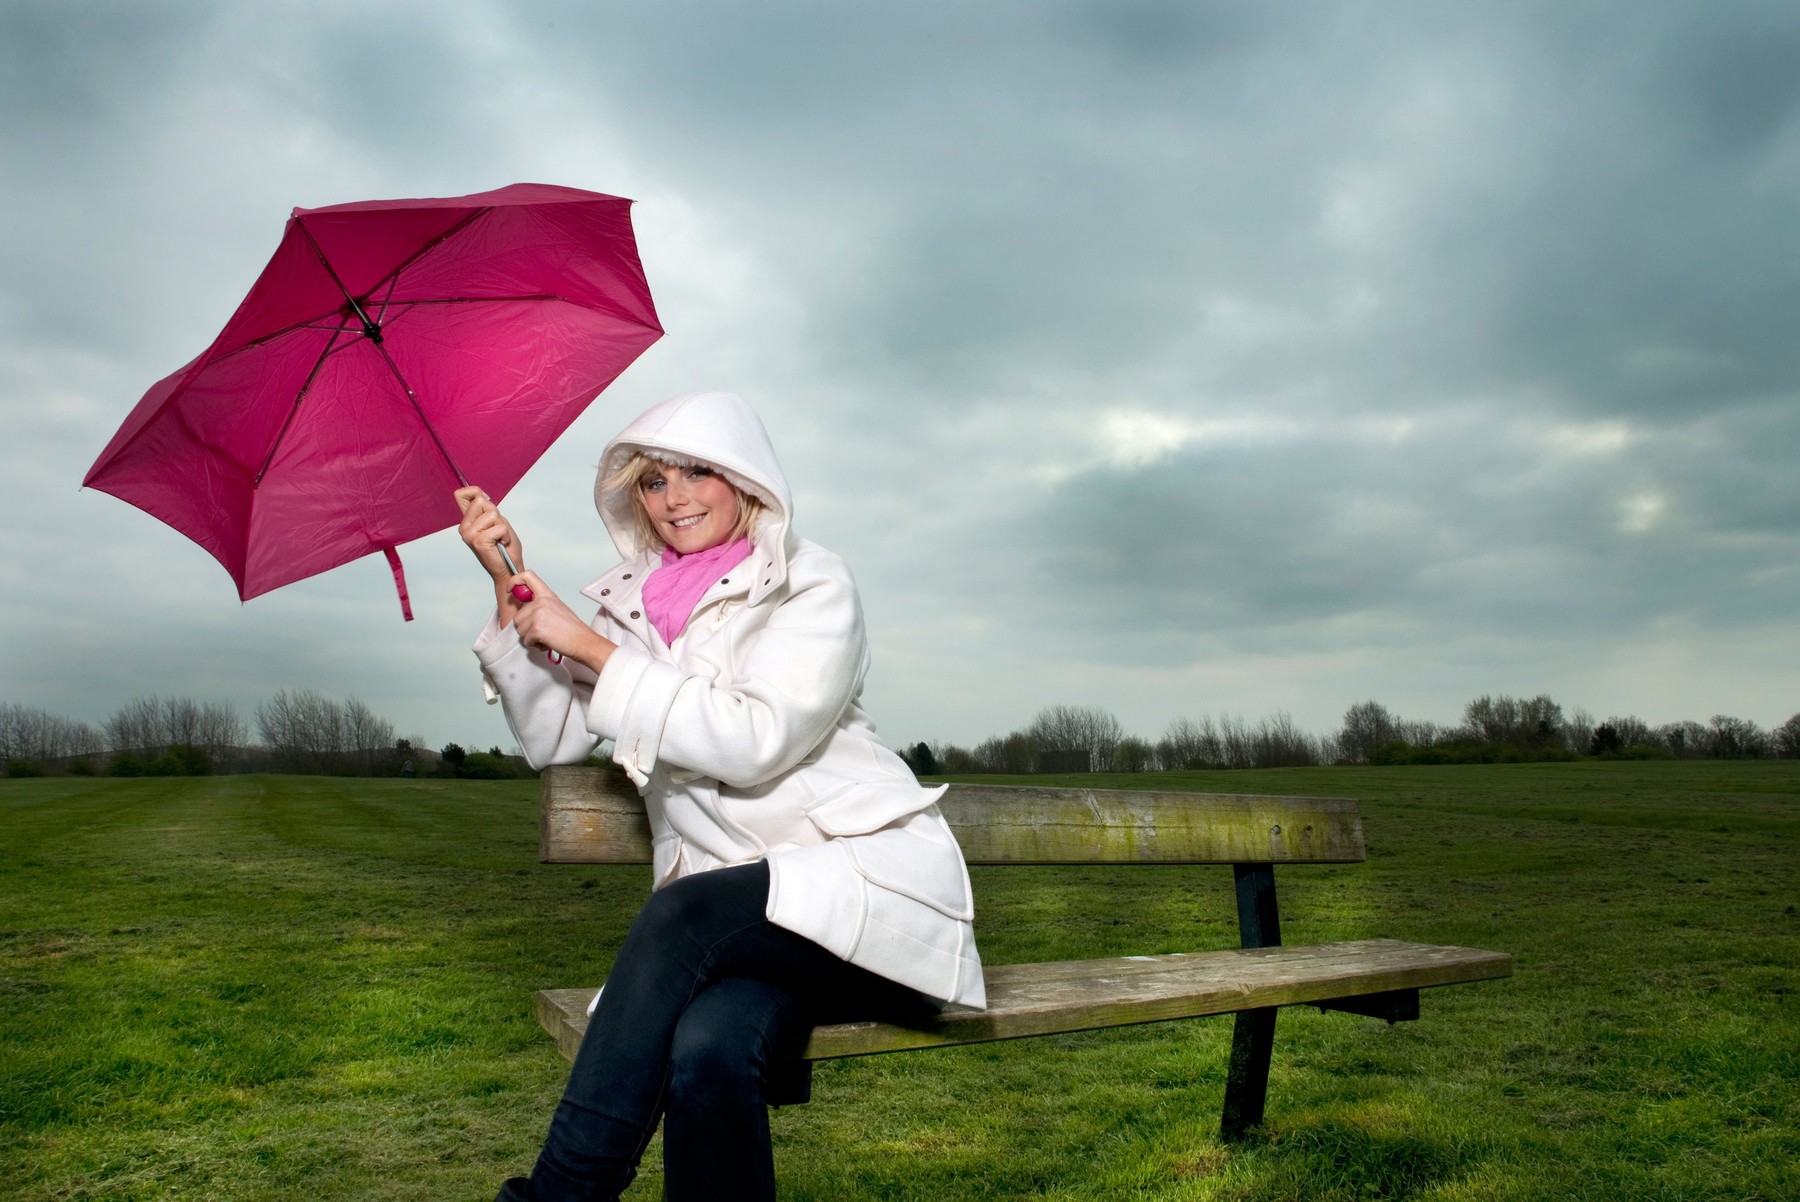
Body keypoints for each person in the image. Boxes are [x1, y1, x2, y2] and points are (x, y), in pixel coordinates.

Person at [456, 390, 985, 1202]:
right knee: (707, 1046)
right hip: (740, 940)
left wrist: (589, 645)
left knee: (682, 913)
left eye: (697, 473)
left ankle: (560, 1196)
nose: (675, 498)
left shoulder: (810, 581)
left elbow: (754, 740)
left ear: (745, 479)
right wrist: (510, 586)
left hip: (859, 899)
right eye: (653, 480)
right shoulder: (628, 608)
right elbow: (555, 740)